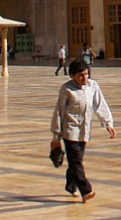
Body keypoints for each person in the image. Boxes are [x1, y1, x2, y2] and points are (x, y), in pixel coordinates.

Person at [50, 59, 116, 203]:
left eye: (86, 74)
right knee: (76, 162)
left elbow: (100, 104)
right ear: (72, 75)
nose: (84, 78)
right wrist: (56, 136)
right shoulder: (66, 89)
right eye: (80, 75)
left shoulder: (93, 86)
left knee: (76, 161)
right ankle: (86, 191)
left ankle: (70, 185)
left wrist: (107, 123)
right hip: (70, 130)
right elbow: (59, 112)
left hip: (84, 130)